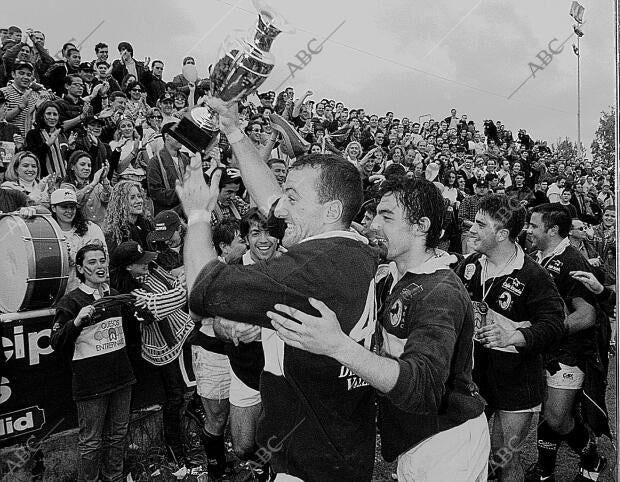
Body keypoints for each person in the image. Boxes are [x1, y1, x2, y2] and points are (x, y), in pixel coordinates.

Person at [179, 95, 378, 480]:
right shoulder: (357, 248)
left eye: (293, 197)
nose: (281, 209)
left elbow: (202, 288)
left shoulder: (308, 268)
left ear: (331, 211)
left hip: (308, 462)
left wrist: (199, 214)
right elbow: (269, 198)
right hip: (345, 448)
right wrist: (236, 132)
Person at [269, 176, 490, 481]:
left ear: (420, 226)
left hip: (446, 440)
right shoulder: (390, 275)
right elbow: (295, 215)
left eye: (387, 217)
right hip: (416, 437)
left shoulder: (440, 292)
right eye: (374, 215)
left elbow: (424, 385)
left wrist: (338, 346)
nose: (373, 225)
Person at [455, 194, 564, 481]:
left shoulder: (534, 275)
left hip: (517, 382)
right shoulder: (469, 265)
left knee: (503, 456)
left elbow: (554, 326)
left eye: (480, 224)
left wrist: (514, 336)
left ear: (502, 234)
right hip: (474, 376)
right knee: (466, 452)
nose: (471, 229)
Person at [525, 203, 609, 482]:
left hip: (569, 352)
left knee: (558, 417)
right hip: (544, 351)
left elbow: (586, 315)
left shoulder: (572, 261)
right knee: (549, 410)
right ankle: (545, 466)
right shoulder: (537, 256)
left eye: (534, 225)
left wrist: (548, 332)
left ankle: (593, 460)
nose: (529, 230)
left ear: (553, 230)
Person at [50, 243, 135, 482]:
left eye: (102, 261)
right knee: (91, 442)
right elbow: (55, 341)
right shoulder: (71, 301)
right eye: (92, 262)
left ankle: (114, 478)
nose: (99, 267)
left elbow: (131, 329)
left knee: (118, 435)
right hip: (91, 384)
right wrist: (76, 322)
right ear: (80, 268)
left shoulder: (115, 294)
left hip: (121, 378)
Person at [108, 241, 194, 469]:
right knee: (174, 395)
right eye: (140, 262)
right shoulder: (130, 293)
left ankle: (191, 425)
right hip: (162, 344)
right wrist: (183, 288)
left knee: (192, 385)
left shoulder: (153, 268)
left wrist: (180, 285)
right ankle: (174, 450)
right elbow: (163, 305)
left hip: (183, 329)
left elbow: (175, 283)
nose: (147, 263)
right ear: (128, 268)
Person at [212, 208, 279, 479]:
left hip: (283, 371)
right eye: (255, 233)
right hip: (245, 369)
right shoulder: (231, 272)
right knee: (242, 446)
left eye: (270, 232)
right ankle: (264, 465)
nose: (264, 239)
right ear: (246, 237)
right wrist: (228, 328)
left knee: (280, 435)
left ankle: (271, 471)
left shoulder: (294, 266)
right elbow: (216, 323)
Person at [190, 219, 245, 478]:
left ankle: (232, 462)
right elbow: (196, 314)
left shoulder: (250, 268)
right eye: (241, 241)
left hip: (241, 355)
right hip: (212, 354)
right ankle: (215, 470)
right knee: (217, 418)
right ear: (223, 247)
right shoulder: (210, 273)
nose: (247, 245)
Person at [50, 188, 108, 292]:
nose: (69, 211)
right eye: (64, 207)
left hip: (89, 291)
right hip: (60, 292)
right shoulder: (48, 232)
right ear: (53, 208)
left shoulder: (91, 228)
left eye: (72, 207)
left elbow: (103, 259)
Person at [147, 121, 190, 215]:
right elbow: (156, 193)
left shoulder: (185, 159)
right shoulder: (155, 162)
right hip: (168, 213)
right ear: (167, 136)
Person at [61, 150, 110, 227]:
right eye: (82, 164)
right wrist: (93, 184)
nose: (87, 168)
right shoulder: (66, 187)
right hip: (82, 230)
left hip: (103, 230)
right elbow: (74, 203)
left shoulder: (98, 186)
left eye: (89, 165)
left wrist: (104, 179)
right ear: (72, 167)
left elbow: (107, 200)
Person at [25, 100, 72, 178]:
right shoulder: (33, 134)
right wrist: (47, 144)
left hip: (63, 180)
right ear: (41, 115)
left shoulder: (62, 134)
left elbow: (66, 159)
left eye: (55, 114)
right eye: (48, 114)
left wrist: (70, 148)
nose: (52, 117)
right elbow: (32, 157)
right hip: (43, 179)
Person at [103, 180, 152, 252]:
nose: (139, 201)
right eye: (132, 197)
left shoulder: (146, 223)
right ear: (121, 202)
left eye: (139, 196)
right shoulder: (114, 232)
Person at [458, 178, 489, 254]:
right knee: (469, 258)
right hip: (469, 232)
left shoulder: (491, 202)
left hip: (487, 233)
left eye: (484, 187)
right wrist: (477, 225)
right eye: (479, 187)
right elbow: (462, 219)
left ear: (488, 189)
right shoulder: (467, 200)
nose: (482, 189)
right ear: (476, 188)